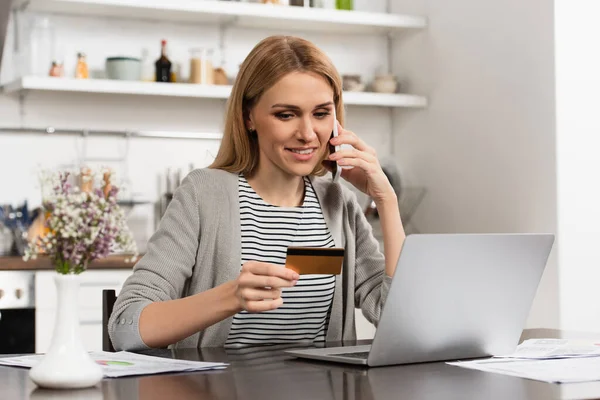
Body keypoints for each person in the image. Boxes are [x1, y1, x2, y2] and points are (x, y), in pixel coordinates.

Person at [109, 35, 406, 351]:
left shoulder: (338, 203)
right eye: (286, 115)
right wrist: (231, 296)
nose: (307, 134)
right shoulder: (203, 195)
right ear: (249, 117)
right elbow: (126, 328)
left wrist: (386, 200)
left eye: (320, 113)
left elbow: (399, 322)